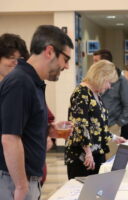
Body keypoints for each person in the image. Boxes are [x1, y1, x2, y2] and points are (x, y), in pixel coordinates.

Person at [0, 25, 74, 200]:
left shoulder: (33, 82)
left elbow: (23, 127)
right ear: (49, 51)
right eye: (66, 59)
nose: (67, 66)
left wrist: (48, 130)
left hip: (26, 179)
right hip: (14, 181)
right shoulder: (20, 82)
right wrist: (21, 186)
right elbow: (10, 138)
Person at [65, 60, 126, 180]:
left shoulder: (95, 94)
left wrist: (114, 138)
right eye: (108, 82)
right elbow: (81, 125)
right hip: (83, 156)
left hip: (96, 153)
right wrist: (88, 152)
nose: (109, 86)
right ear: (100, 76)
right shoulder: (81, 93)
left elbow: (98, 126)